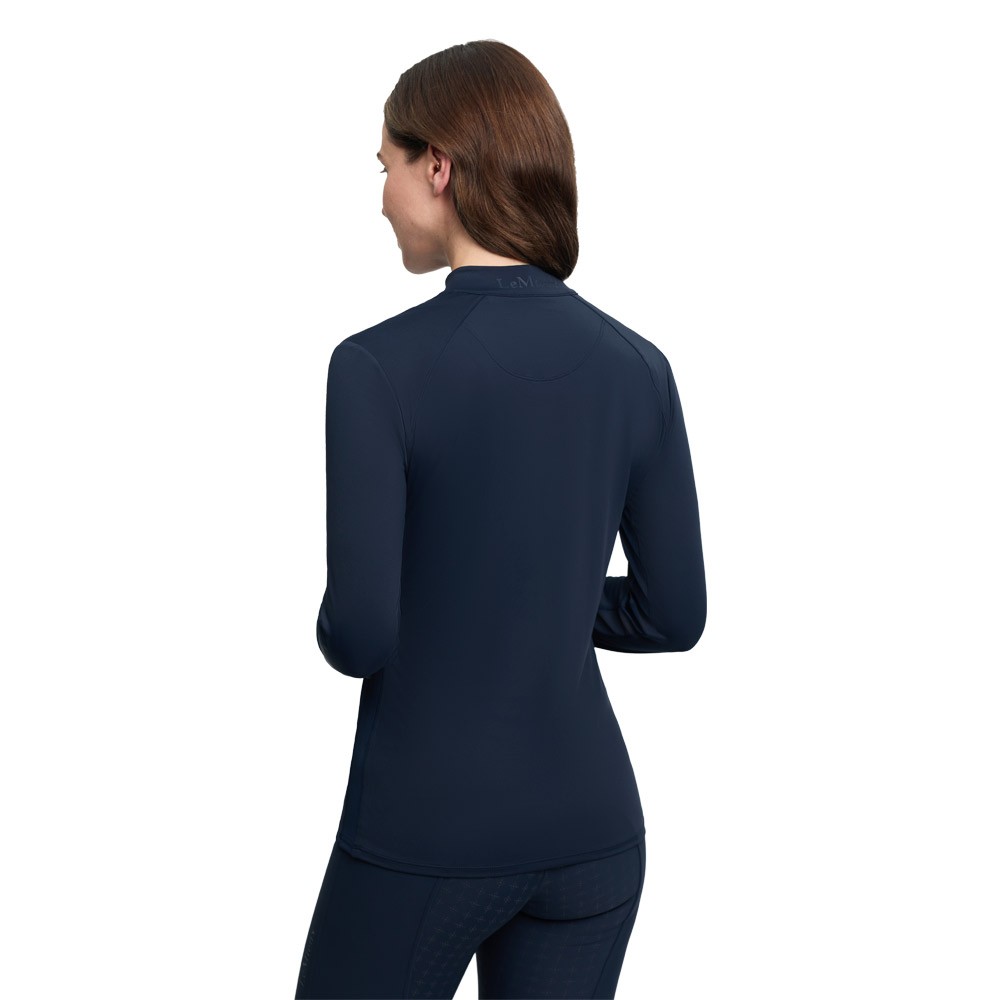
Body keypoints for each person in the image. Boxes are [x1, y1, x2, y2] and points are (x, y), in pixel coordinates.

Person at [294, 39, 706, 1000]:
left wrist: (428, 600)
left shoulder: (374, 368)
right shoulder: (638, 366)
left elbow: (361, 633)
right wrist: (538, 598)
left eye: (387, 167)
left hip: (426, 831)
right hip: (594, 838)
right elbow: (673, 613)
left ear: (438, 167)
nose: (381, 198)